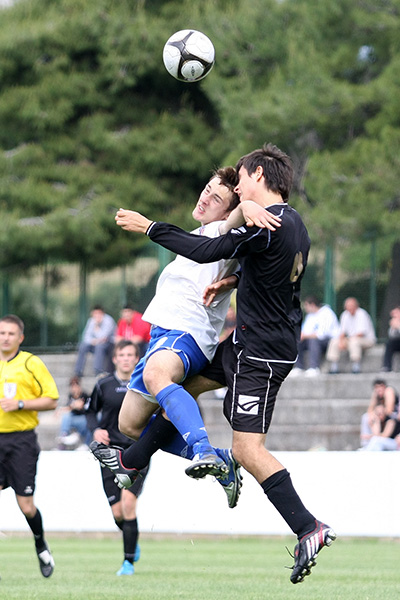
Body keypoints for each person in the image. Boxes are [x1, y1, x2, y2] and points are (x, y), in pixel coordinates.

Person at [94, 143, 336, 584]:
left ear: (259, 177)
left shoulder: (271, 224)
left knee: (247, 449)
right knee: (179, 394)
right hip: (245, 342)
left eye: (241, 178)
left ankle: (308, 527)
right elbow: (271, 266)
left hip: (260, 355)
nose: (238, 185)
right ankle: (131, 461)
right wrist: (237, 275)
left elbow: (206, 249)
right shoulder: (287, 223)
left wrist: (149, 227)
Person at [90, 166, 281, 509]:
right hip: (163, 336)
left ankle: (203, 448)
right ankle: (222, 461)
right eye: (207, 188)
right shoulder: (203, 233)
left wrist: (247, 206)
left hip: (186, 334)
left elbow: (235, 217)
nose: (205, 196)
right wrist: (233, 279)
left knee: (156, 376)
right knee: (130, 424)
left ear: (229, 209)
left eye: (217, 197)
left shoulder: (222, 231)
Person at [0, 314, 58, 578]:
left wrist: (20, 404)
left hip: (21, 440)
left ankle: (40, 544)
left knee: (26, 505)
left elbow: (51, 400)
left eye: (11, 333)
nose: (5, 337)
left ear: (20, 337)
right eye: (2, 333)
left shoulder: (30, 363)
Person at [86, 340, 149, 576]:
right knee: (117, 513)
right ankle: (131, 541)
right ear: (115, 358)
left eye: (130, 354)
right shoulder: (103, 384)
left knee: (128, 503)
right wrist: (95, 430)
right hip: (109, 453)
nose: (125, 358)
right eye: (121, 354)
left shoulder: (145, 383)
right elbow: (90, 411)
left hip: (137, 450)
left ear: (136, 358)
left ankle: (128, 563)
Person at [290, 296, 339, 377]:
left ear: (312, 305)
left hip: (327, 341)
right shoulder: (310, 316)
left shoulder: (327, 313)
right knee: (298, 340)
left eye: (306, 305)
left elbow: (322, 334)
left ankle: (314, 367)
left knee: (313, 340)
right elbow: (305, 332)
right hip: (312, 340)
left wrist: (305, 336)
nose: (305, 308)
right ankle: (299, 367)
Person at [326, 297, 376, 374]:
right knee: (334, 341)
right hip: (351, 339)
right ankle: (334, 366)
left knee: (354, 341)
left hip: (366, 340)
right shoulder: (344, 315)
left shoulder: (362, 314)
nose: (350, 308)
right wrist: (341, 341)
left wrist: (347, 340)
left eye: (351, 306)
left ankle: (356, 366)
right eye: (348, 306)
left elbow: (361, 333)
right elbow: (342, 332)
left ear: (356, 306)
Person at [74, 305, 116, 377]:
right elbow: (86, 336)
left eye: (99, 313)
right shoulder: (91, 320)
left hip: (109, 344)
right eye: (95, 314)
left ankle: (98, 371)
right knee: (83, 346)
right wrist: (93, 341)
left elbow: (103, 337)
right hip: (96, 343)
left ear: (103, 313)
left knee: (99, 346)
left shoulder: (109, 320)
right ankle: (78, 371)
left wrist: (96, 327)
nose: (97, 316)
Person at [360, 379, 399, 447]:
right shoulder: (376, 393)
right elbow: (370, 408)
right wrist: (373, 415)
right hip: (383, 417)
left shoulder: (388, 391)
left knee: (377, 439)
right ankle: (365, 444)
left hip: (392, 416)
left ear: (383, 386)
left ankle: (370, 442)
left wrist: (379, 412)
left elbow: (389, 410)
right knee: (365, 417)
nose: (378, 391)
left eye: (380, 389)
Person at [56, 376, 91, 450]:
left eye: (76, 385)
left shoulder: (84, 395)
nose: (74, 388)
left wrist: (75, 406)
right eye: (72, 386)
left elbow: (83, 407)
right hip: (75, 418)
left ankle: (83, 442)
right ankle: (64, 436)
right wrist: (60, 410)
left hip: (85, 418)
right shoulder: (71, 396)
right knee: (66, 416)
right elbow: (69, 407)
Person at [381, 306, 400, 372]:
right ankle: (387, 366)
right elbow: (391, 336)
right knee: (389, 343)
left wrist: (398, 326)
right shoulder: (394, 322)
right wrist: (393, 328)